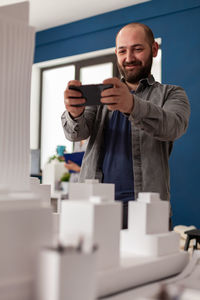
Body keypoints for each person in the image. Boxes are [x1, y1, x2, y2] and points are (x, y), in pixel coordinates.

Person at [61, 22, 190, 229]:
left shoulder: (172, 94)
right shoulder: (101, 94)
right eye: (122, 50)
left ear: (154, 49)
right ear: (116, 53)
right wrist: (74, 113)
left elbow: (173, 126)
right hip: (95, 207)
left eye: (138, 49)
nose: (129, 58)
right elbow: (76, 133)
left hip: (147, 210)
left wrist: (131, 105)